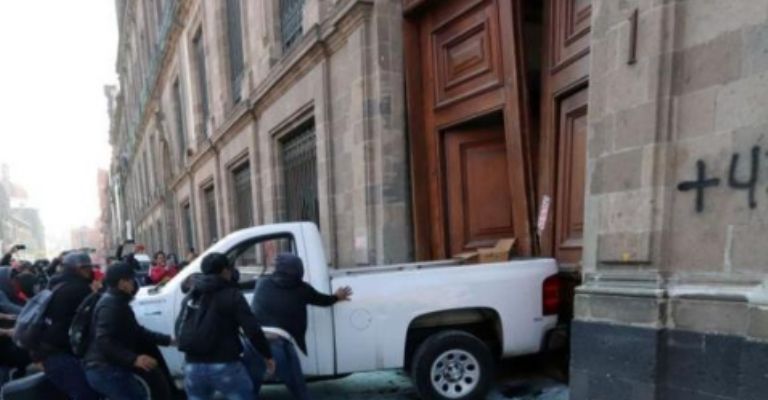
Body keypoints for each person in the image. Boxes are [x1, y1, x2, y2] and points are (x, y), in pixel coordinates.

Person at [247, 253, 353, 399]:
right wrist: (337, 297)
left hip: (254, 342)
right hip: (278, 343)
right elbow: (323, 300)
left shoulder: (262, 283)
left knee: (249, 391)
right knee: (299, 389)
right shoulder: (303, 289)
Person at [179, 253, 275, 400]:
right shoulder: (232, 295)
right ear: (225, 271)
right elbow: (252, 330)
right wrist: (267, 355)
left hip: (192, 366)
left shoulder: (193, 293)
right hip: (225, 365)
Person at [84, 262, 173, 400]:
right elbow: (104, 340)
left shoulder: (117, 302)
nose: (134, 284)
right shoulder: (111, 305)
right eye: (131, 280)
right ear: (122, 283)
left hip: (107, 368)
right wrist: (134, 359)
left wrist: (168, 340)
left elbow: (137, 331)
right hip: (105, 369)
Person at [37, 251, 100, 400]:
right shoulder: (79, 289)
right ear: (77, 269)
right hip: (60, 354)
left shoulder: (55, 283)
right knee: (86, 394)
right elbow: (95, 317)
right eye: (86, 268)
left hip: (47, 352)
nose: (90, 271)